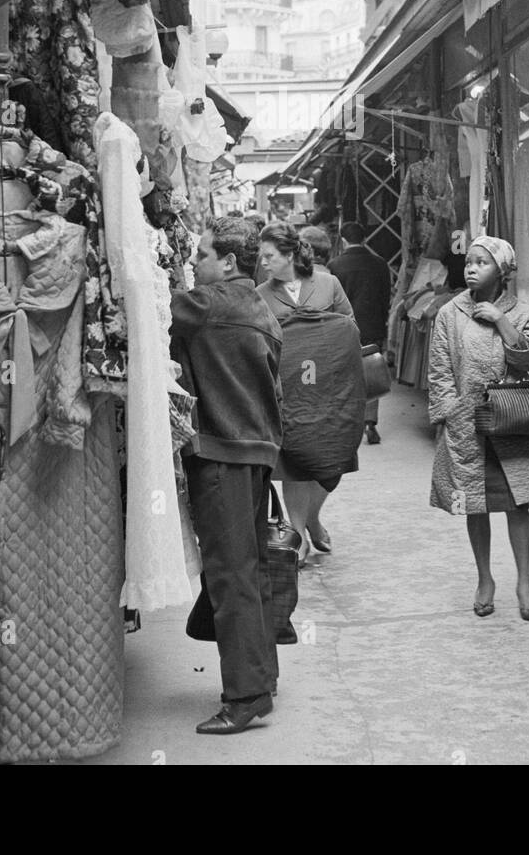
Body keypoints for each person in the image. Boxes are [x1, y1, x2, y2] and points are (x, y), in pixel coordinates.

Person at [170, 216, 284, 735]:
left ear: (229, 263)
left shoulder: (208, 305)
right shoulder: (260, 306)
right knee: (251, 569)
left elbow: (149, 313)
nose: (194, 265)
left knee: (230, 575)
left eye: (201, 256)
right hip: (255, 452)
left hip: (222, 454)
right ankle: (262, 681)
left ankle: (244, 697)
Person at [428, 234, 529, 622]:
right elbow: (439, 372)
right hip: (467, 426)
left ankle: (524, 581)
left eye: (481, 262)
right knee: (475, 504)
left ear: (502, 271)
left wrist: (502, 322)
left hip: (511, 423)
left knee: (518, 503)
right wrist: (452, 413)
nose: (471, 268)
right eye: (468, 261)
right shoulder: (449, 314)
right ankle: (485, 579)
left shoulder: (520, 312)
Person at [257, 221, 362, 562]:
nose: (263, 261)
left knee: (331, 461)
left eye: (270, 255)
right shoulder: (261, 294)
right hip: (289, 394)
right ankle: (297, 533)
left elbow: (350, 329)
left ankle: (313, 517)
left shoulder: (328, 284)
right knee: (294, 464)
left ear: (289, 254)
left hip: (329, 390)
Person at [329, 221, 392, 444]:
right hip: (373, 324)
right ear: (364, 238)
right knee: (371, 370)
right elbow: (386, 298)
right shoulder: (380, 264)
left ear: (343, 240)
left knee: (346, 373)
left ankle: (349, 422)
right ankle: (370, 422)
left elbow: (332, 301)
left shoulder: (335, 266)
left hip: (345, 327)